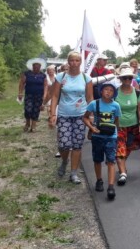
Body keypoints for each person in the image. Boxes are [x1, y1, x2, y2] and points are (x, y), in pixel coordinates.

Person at [49, 51, 94, 184]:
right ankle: (64, 161)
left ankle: (73, 173)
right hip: (64, 114)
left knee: (77, 145)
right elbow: (55, 96)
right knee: (63, 144)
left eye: (77, 60)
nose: (74, 63)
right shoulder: (61, 77)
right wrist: (53, 114)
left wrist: (91, 116)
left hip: (81, 115)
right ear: (68, 62)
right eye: (72, 60)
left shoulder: (86, 78)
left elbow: (90, 98)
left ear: (80, 62)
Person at [83, 83, 121, 200]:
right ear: (101, 91)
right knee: (97, 159)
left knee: (111, 161)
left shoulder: (116, 105)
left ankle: (110, 186)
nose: (108, 92)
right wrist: (91, 128)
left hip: (111, 137)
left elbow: (117, 120)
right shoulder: (94, 104)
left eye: (111, 90)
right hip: (98, 136)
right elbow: (85, 117)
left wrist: (117, 133)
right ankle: (99, 180)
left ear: (114, 93)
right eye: (106, 89)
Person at [114, 68, 140, 185]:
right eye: (125, 78)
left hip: (133, 126)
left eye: (129, 77)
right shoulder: (115, 92)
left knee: (128, 147)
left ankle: (121, 164)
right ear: (121, 79)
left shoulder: (137, 92)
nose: (127, 80)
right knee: (120, 148)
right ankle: (123, 173)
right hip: (119, 126)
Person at [18, 58, 48, 133]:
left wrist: (44, 95)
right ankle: (27, 123)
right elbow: (21, 83)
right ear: (32, 66)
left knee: (36, 110)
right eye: (35, 66)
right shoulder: (26, 74)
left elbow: (45, 86)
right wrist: (20, 93)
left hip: (39, 95)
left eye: (38, 67)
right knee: (28, 109)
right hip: (29, 95)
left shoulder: (43, 75)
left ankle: (33, 125)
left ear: (40, 67)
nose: (36, 68)